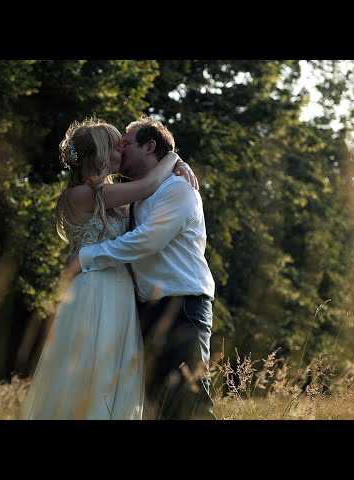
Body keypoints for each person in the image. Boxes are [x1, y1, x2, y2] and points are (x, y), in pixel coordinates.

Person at [20, 117, 198, 420]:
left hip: (119, 292)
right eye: (118, 147)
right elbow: (149, 185)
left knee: (116, 375)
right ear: (103, 154)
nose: (122, 152)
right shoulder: (83, 194)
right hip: (95, 290)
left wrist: (176, 168)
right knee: (91, 370)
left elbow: (148, 201)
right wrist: (174, 158)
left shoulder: (109, 193)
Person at [66, 117, 216, 420]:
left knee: (187, 403)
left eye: (126, 145)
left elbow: (146, 241)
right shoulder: (133, 193)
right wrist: (175, 159)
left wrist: (87, 256)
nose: (120, 153)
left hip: (181, 305)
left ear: (149, 147)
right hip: (142, 308)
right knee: (155, 406)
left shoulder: (178, 189)